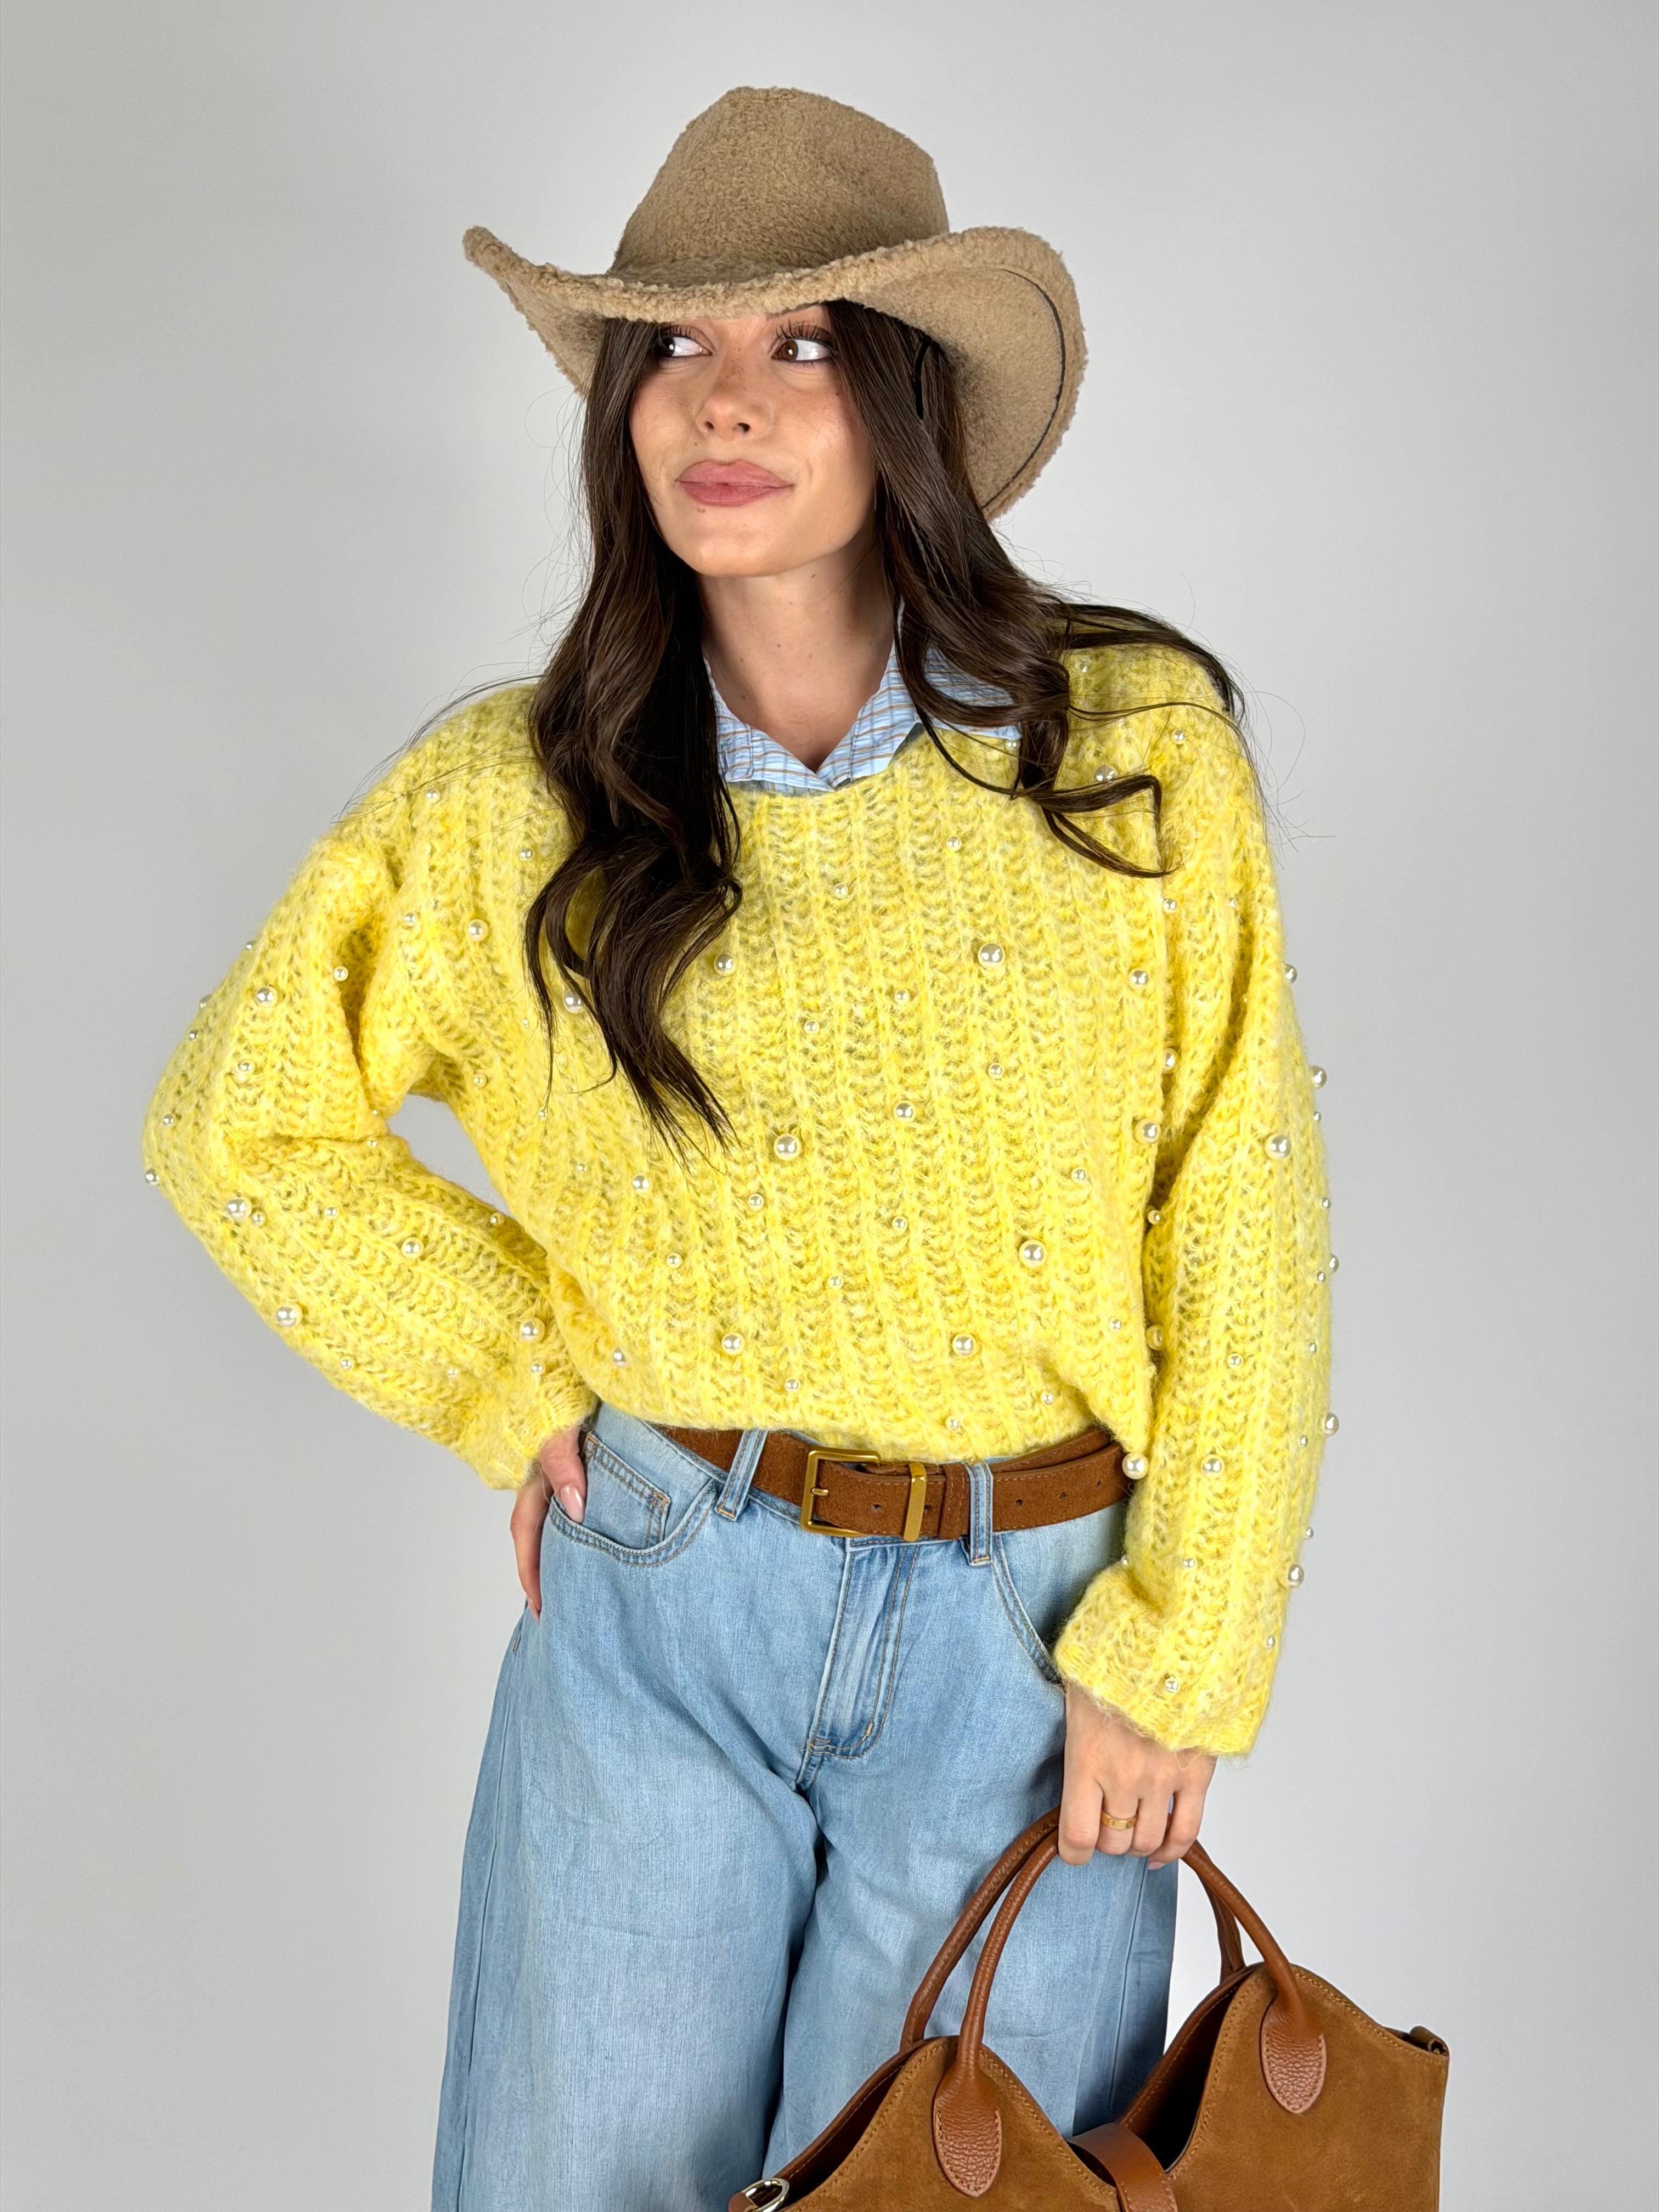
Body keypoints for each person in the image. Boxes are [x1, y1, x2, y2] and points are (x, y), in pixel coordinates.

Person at [142, 85, 1333, 2212]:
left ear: (910, 402)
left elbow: (1244, 1213)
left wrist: (1186, 1649)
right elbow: (240, 1120)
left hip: (1034, 1654)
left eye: (802, 345)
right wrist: (507, 1374)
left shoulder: (1130, 755)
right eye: (674, 346)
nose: (725, 401)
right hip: (659, 1610)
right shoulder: (508, 799)